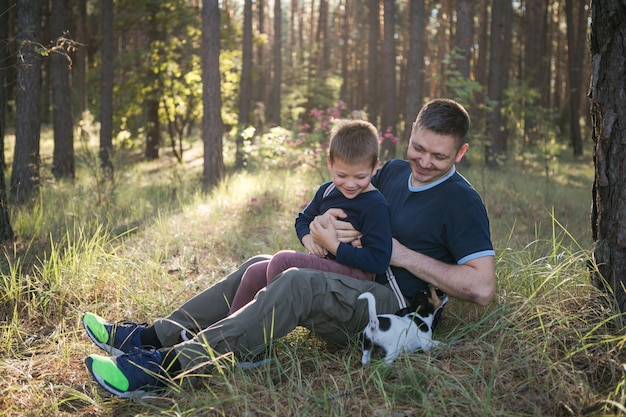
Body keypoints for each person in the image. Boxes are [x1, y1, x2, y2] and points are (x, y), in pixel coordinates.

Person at [83, 98, 496, 399]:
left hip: (396, 307)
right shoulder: (392, 171)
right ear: (410, 135)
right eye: (418, 148)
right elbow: (343, 204)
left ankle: (164, 369)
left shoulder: (462, 201)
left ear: (460, 152)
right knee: (259, 263)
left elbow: (481, 288)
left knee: (298, 283)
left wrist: (399, 253)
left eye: (438, 156)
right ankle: (154, 335)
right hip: (358, 277)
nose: (423, 162)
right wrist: (320, 226)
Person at [229, 119, 392, 314]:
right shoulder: (326, 191)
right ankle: (233, 326)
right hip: (327, 266)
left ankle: (267, 325)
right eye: (342, 175)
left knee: (283, 261)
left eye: (360, 177)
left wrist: (334, 246)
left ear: (375, 168)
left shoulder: (375, 205)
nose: (350, 184)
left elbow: (379, 260)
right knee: (255, 271)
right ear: (330, 163)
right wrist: (307, 238)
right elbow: (302, 220)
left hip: (356, 278)